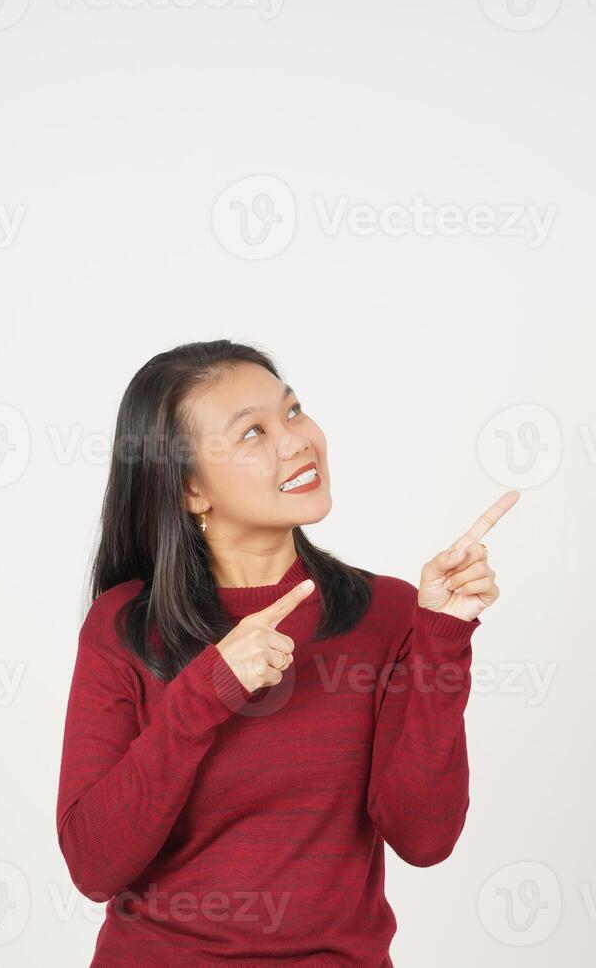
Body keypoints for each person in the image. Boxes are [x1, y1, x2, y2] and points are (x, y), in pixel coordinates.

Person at [56, 339, 516, 966]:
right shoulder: (126, 625)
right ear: (192, 489)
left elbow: (424, 837)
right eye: (253, 433)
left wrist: (442, 639)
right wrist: (209, 688)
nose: (297, 440)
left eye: (293, 411)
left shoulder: (387, 614)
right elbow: (94, 864)